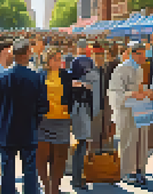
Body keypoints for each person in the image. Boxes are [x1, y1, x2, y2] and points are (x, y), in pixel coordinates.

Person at [0, 38, 49, 194]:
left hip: (6, 130)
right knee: (30, 170)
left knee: (7, 171)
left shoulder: (0, 78)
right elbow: (43, 106)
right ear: (26, 54)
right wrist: (35, 122)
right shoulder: (36, 77)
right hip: (28, 129)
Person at [108, 41, 150, 185]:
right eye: (141, 54)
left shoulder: (139, 69)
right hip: (127, 112)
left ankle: (139, 169)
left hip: (140, 110)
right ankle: (128, 172)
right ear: (133, 54)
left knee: (140, 142)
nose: (144, 57)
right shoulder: (121, 69)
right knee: (129, 141)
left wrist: (144, 93)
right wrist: (132, 94)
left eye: (145, 54)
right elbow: (115, 92)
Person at [36, 47, 72, 194]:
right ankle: (46, 186)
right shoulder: (40, 75)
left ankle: (55, 188)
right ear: (48, 60)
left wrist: (68, 107)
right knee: (41, 157)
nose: (59, 62)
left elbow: (70, 95)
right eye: (56, 59)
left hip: (62, 120)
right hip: (44, 120)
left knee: (60, 157)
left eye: (60, 59)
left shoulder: (66, 75)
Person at [70, 39, 94, 189]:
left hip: (78, 105)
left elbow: (71, 82)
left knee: (80, 142)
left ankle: (77, 176)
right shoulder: (90, 62)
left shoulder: (74, 61)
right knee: (82, 142)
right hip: (85, 105)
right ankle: (78, 177)